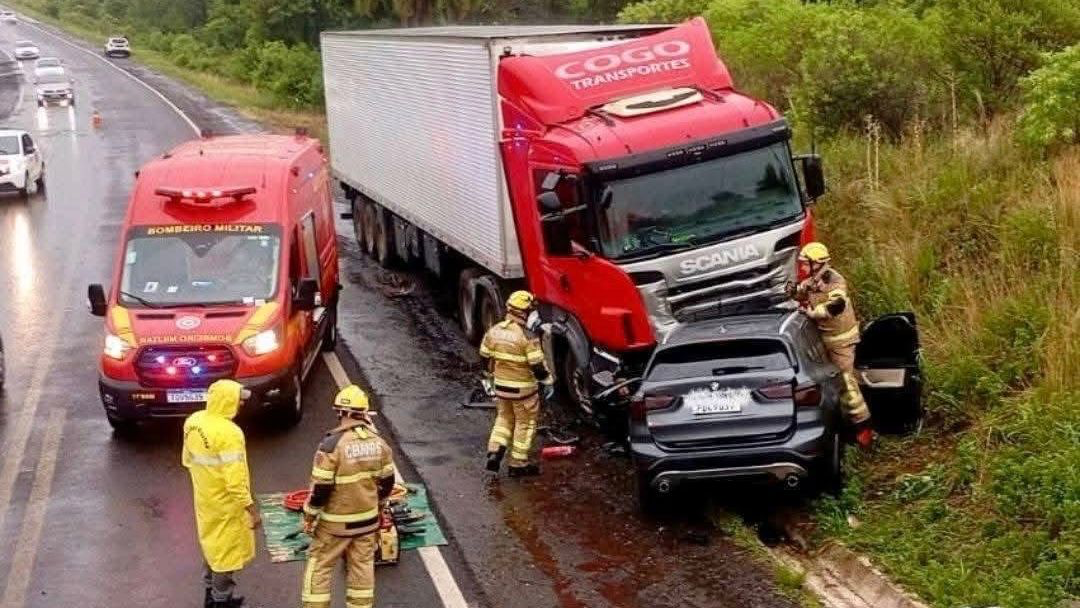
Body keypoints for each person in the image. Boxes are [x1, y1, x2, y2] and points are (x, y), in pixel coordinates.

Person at [301, 385, 396, 608]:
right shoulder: (379, 443)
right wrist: (379, 506)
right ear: (364, 413)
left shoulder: (331, 445)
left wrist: (309, 515)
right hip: (367, 522)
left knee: (320, 565)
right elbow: (388, 482)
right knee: (362, 567)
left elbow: (321, 490)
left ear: (340, 412)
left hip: (335, 525)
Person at [182, 379, 261, 608]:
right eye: (239, 400)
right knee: (225, 556)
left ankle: (211, 594)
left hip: (205, 499)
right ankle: (221, 601)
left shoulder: (194, 422)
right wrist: (251, 509)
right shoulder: (230, 433)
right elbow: (235, 482)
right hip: (226, 505)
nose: (241, 405)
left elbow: (187, 459)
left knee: (211, 548)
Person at [794, 242, 874, 449]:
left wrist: (813, 313)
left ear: (817, 264)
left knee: (848, 386)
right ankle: (841, 423)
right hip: (823, 341)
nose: (801, 268)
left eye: (805, 264)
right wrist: (791, 293)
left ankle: (863, 428)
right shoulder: (812, 280)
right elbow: (800, 292)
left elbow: (835, 305)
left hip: (841, 342)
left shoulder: (835, 282)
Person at [480, 290, 554, 477]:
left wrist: (491, 376)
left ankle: (495, 452)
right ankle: (518, 464)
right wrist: (547, 381)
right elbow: (537, 366)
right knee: (525, 424)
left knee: (503, 418)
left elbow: (484, 357)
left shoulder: (494, 331)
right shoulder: (527, 336)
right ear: (524, 312)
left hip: (501, 387)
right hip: (524, 390)